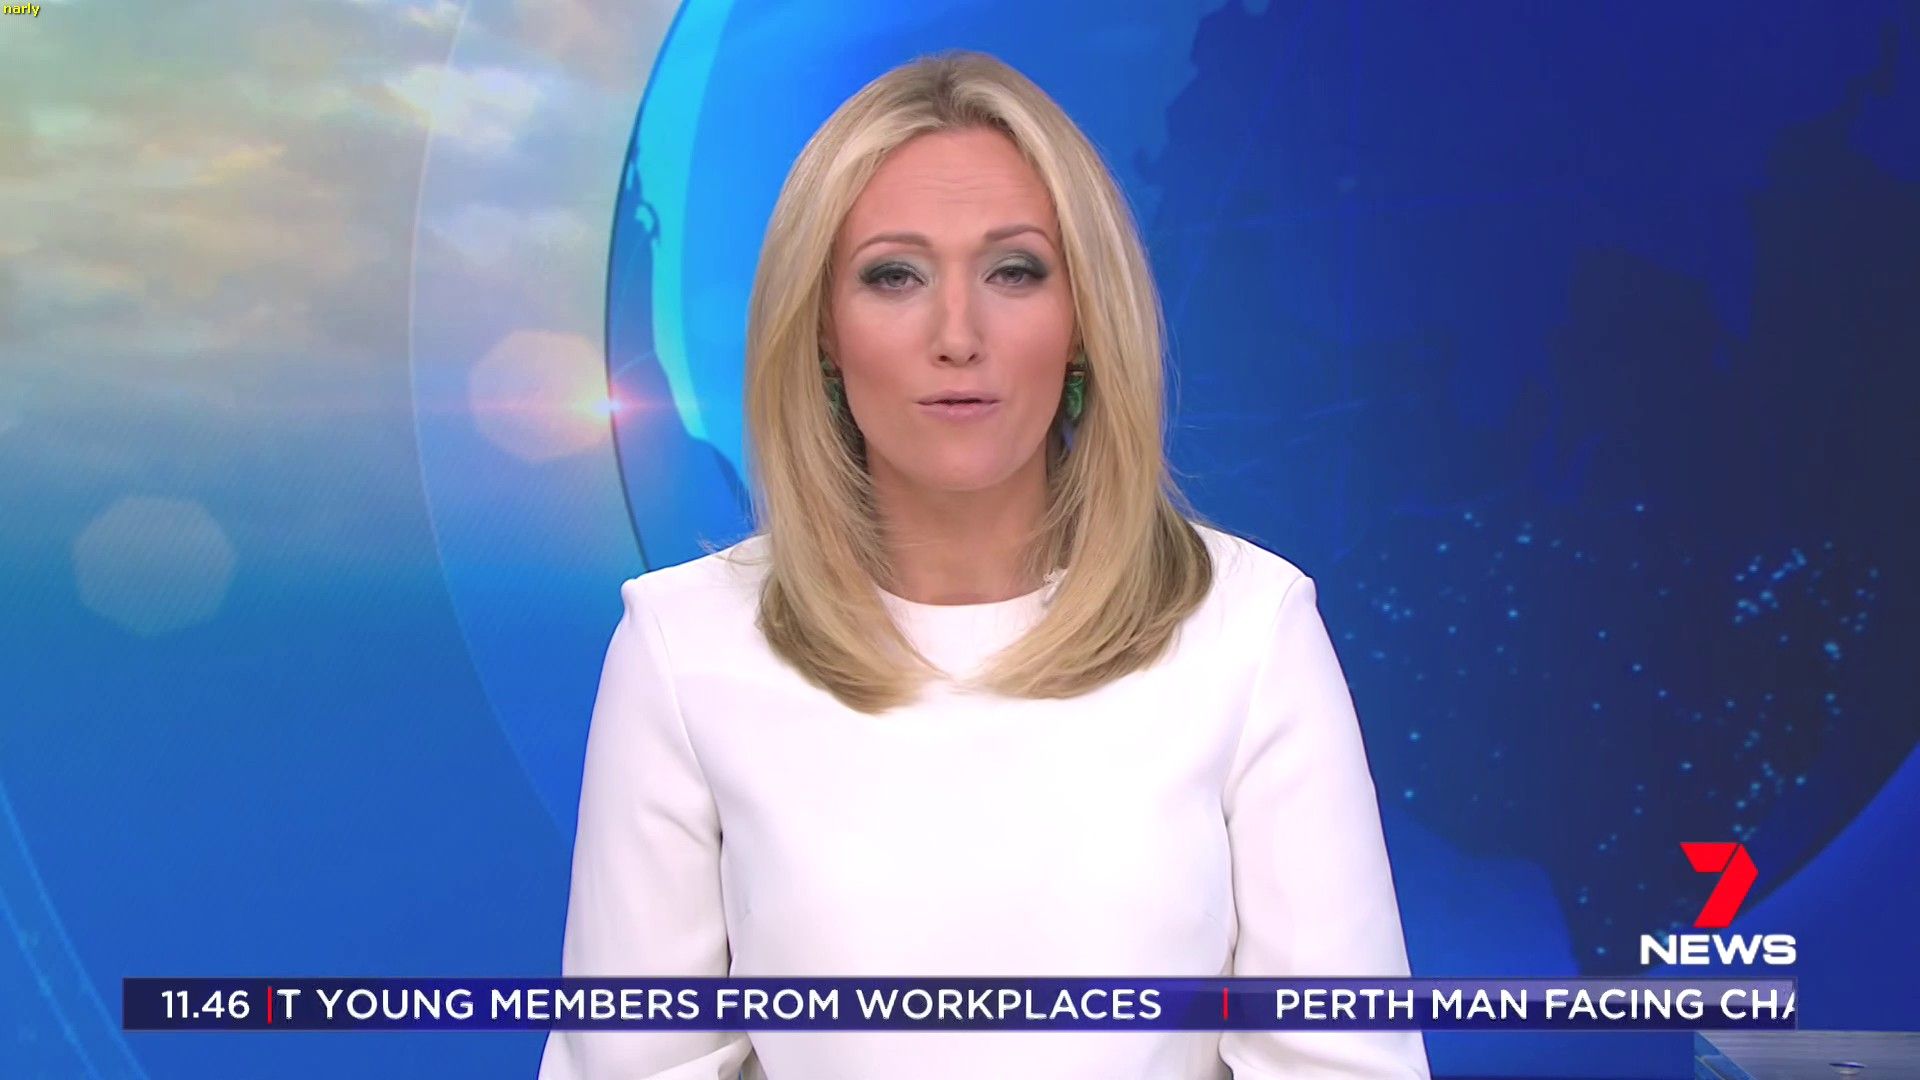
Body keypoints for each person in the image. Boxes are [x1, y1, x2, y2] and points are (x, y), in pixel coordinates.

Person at [538, 49, 1429, 1080]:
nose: (957, 335)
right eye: (894, 276)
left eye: (1014, 271)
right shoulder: (683, 647)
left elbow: (1343, 1063)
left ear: (1083, 317)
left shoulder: (1250, 631)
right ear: (822, 329)